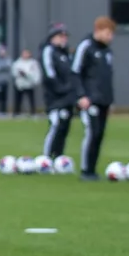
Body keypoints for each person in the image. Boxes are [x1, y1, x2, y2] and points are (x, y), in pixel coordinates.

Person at [72, 17, 116, 181]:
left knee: (99, 135)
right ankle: (86, 170)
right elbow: (75, 72)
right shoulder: (86, 47)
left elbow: (107, 77)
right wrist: (81, 95)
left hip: (104, 100)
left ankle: (93, 169)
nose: (110, 37)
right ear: (98, 30)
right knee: (92, 132)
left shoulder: (107, 51)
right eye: (108, 33)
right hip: (89, 100)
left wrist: (110, 99)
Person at [40, 23, 78, 159]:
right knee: (55, 125)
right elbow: (49, 73)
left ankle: (59, 156)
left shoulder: (67, 54)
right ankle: (46, 157)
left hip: (68, 97)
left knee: (64, 127)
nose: (64, 39)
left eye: (65, 36)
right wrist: (60, 89)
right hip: (55, 97)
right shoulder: (49, 51)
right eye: (60, 36)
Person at [10, 48, 40, 118]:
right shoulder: (18, 63)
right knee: (18, 99)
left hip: (29, 83)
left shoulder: (33, 63)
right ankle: (17, 112)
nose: (25, 55)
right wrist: (20, 73)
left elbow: (35, 73)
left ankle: (33, 112)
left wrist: (28, 74)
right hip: (20, 83)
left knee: (31, 99)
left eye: (27, 53)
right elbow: (14, 72)